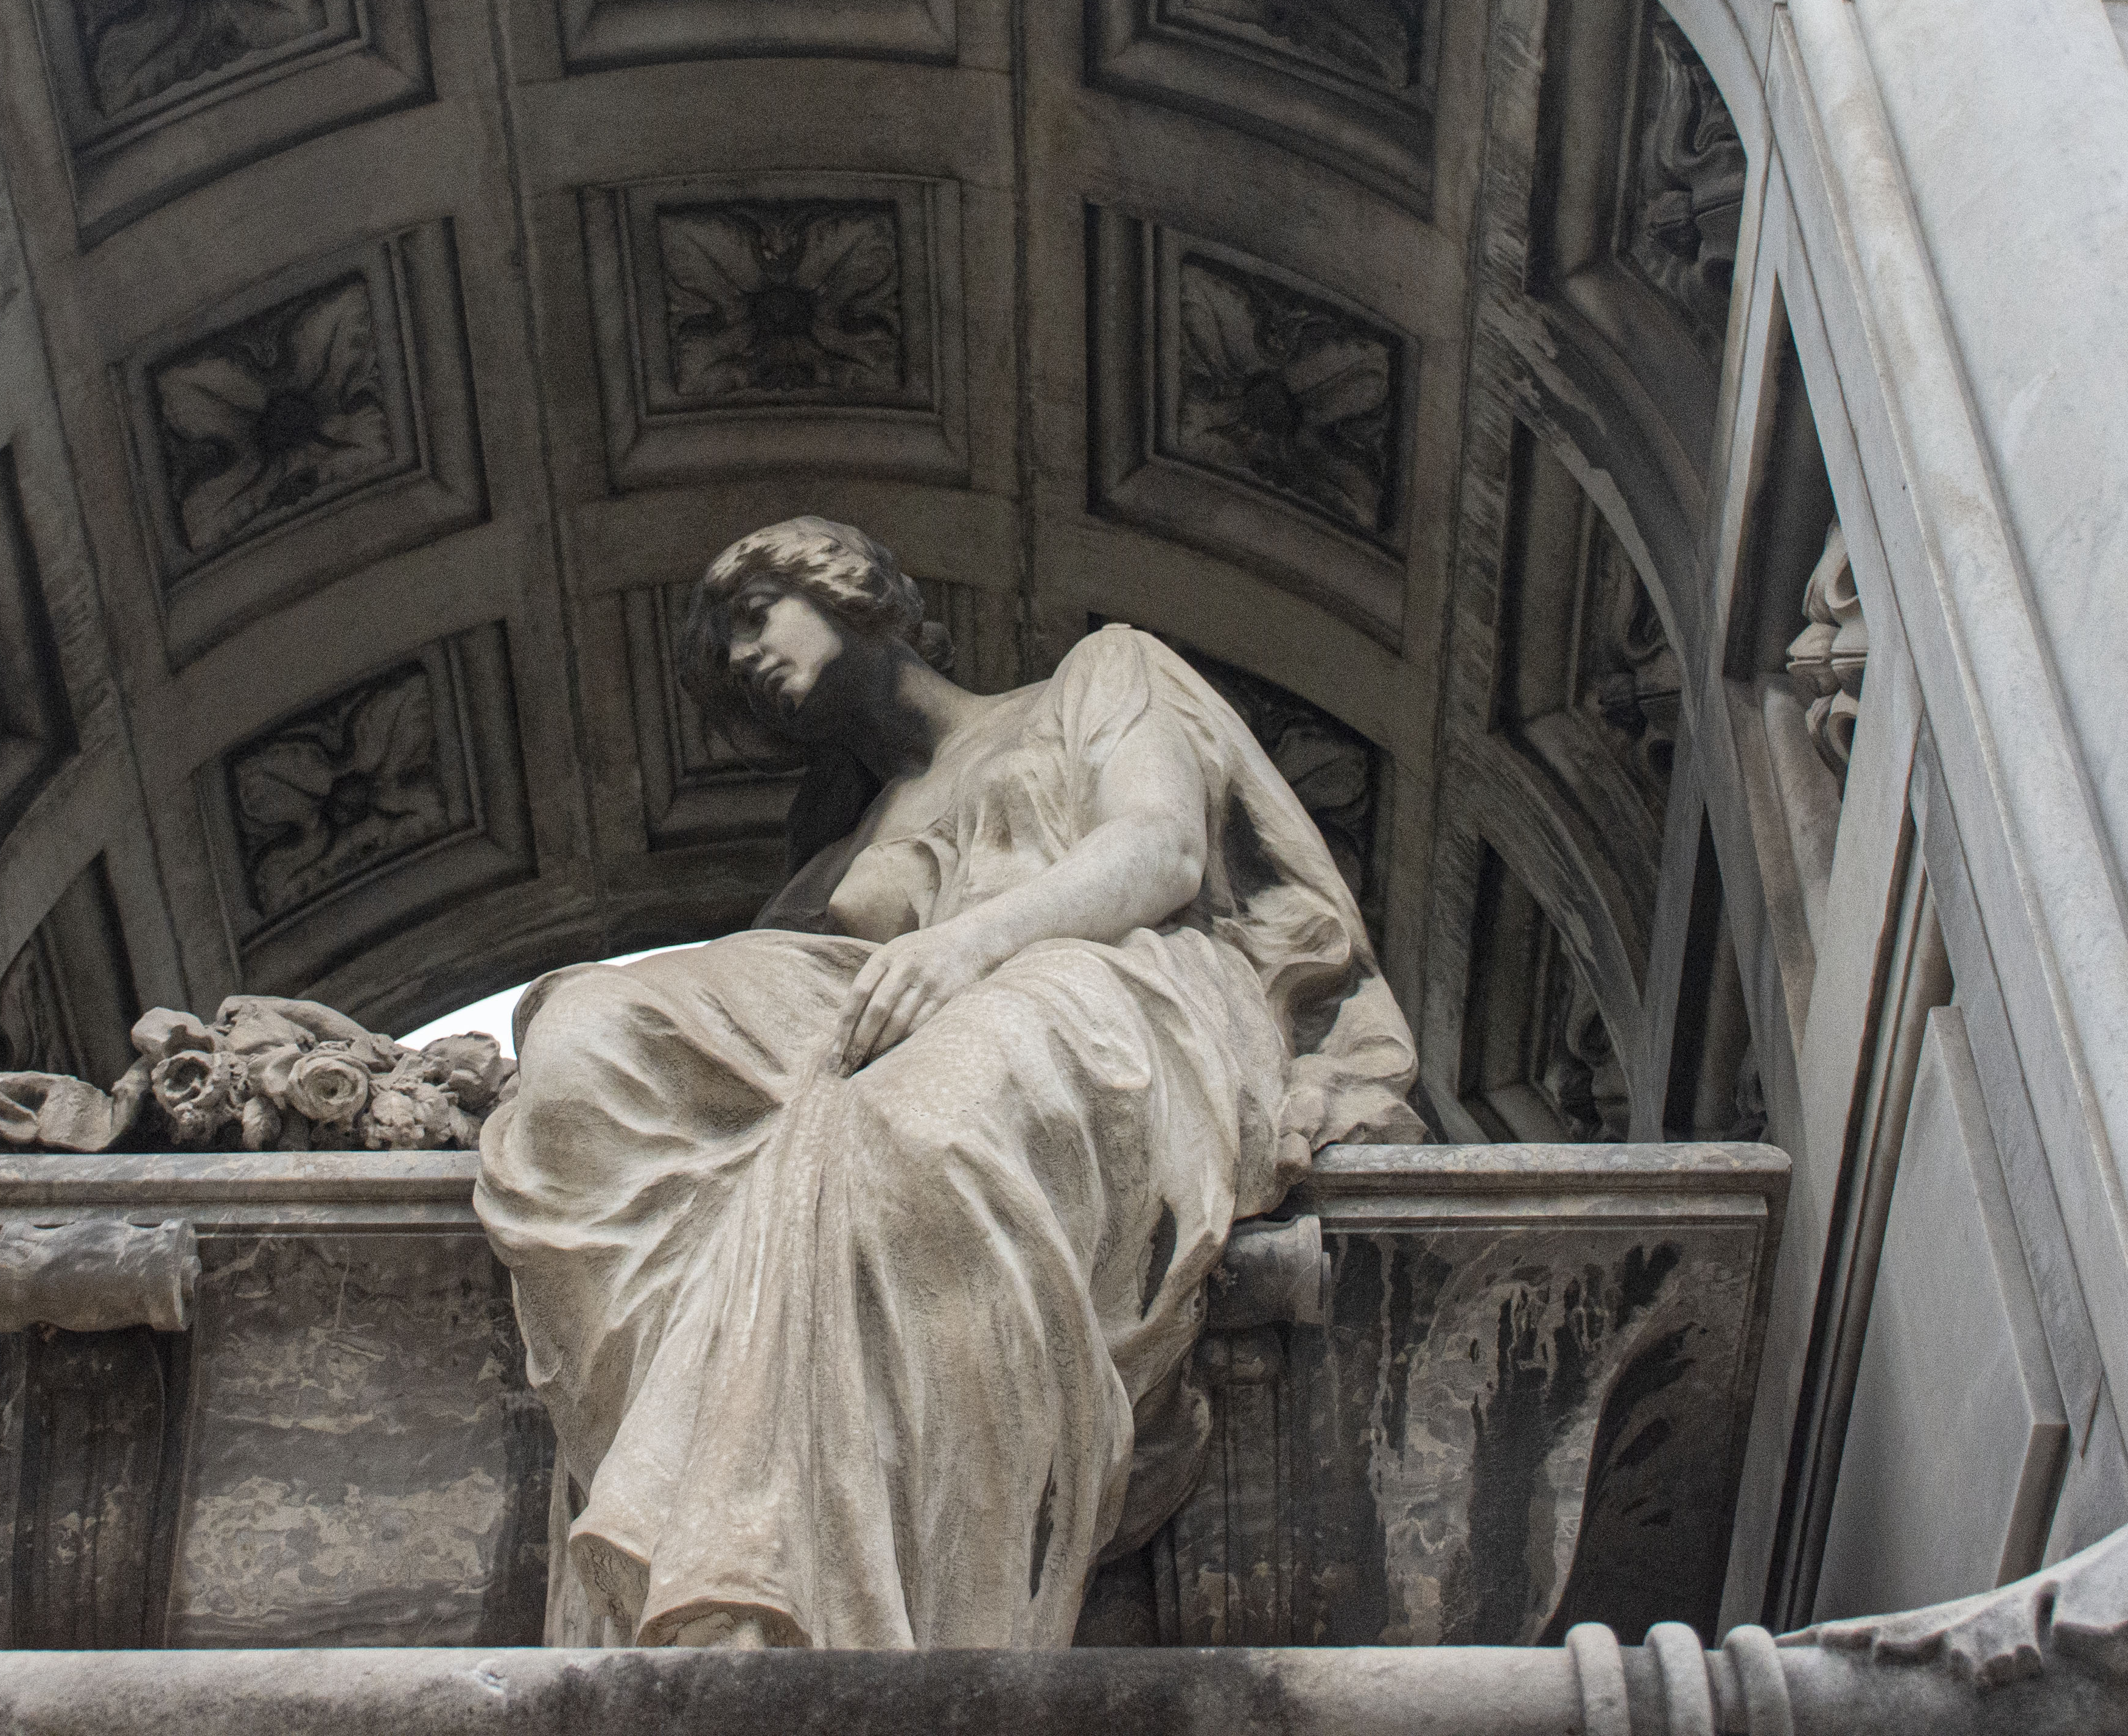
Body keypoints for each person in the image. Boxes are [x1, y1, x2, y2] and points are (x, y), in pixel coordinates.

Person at [475, 517, 1421, 1650]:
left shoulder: (1095, 677)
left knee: (914, 1128)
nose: (737, 659)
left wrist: (971, 945)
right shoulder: (835, 835)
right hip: (876, 1021)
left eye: (750, 613)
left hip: (1091, 978)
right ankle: (673, 1491)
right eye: (719, 656)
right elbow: (802, 992)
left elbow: (1161, 852)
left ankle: (833, 1615)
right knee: (586, 1034)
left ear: (848, 584)